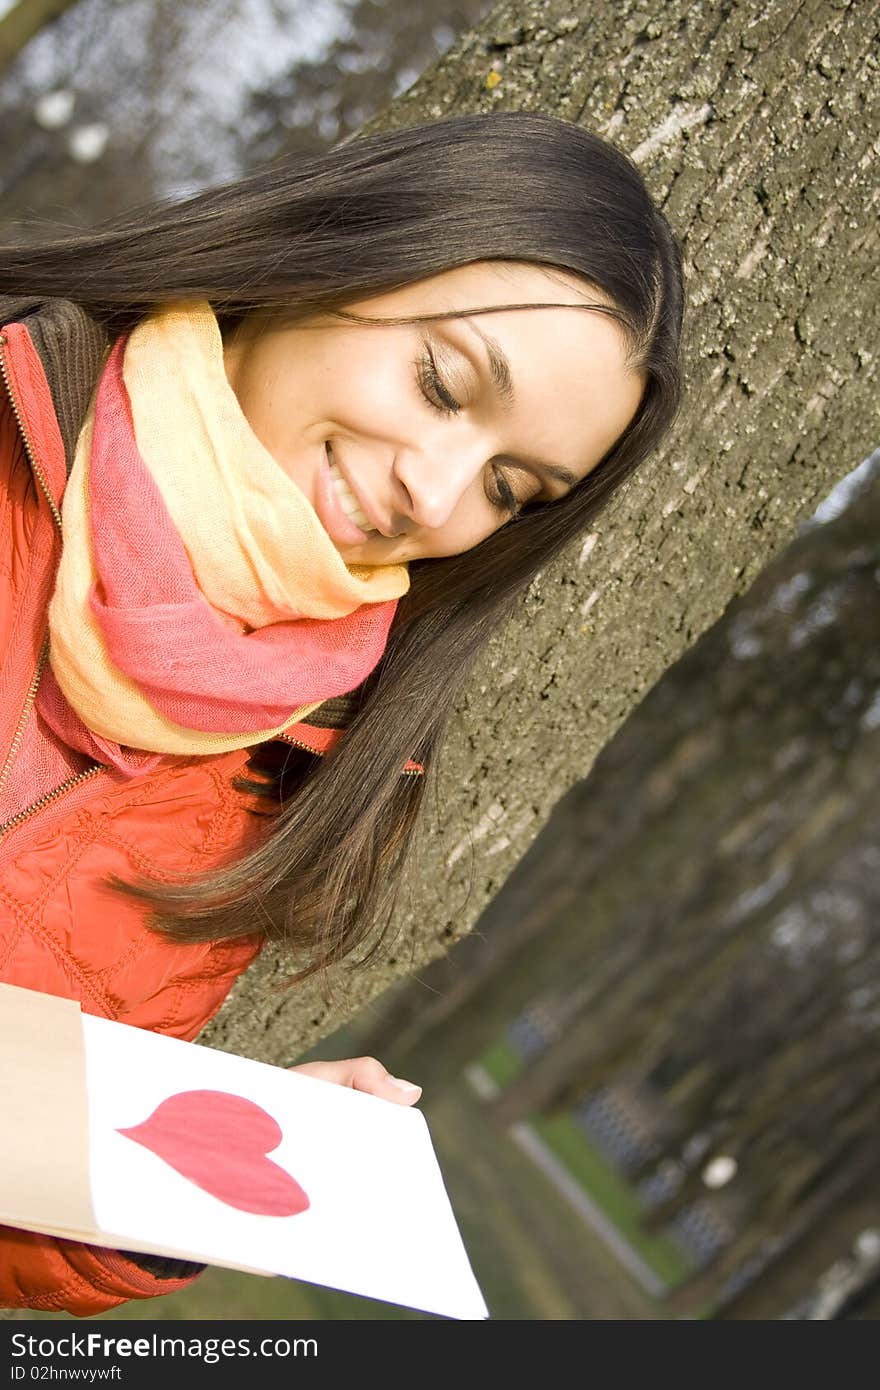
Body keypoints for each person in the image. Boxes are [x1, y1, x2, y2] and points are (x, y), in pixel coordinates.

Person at [0, 110, 685, 1314]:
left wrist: (214, 1161)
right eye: (440, 382)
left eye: (508, 487)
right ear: (335, 249)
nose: (431, 491)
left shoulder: (297, 782)